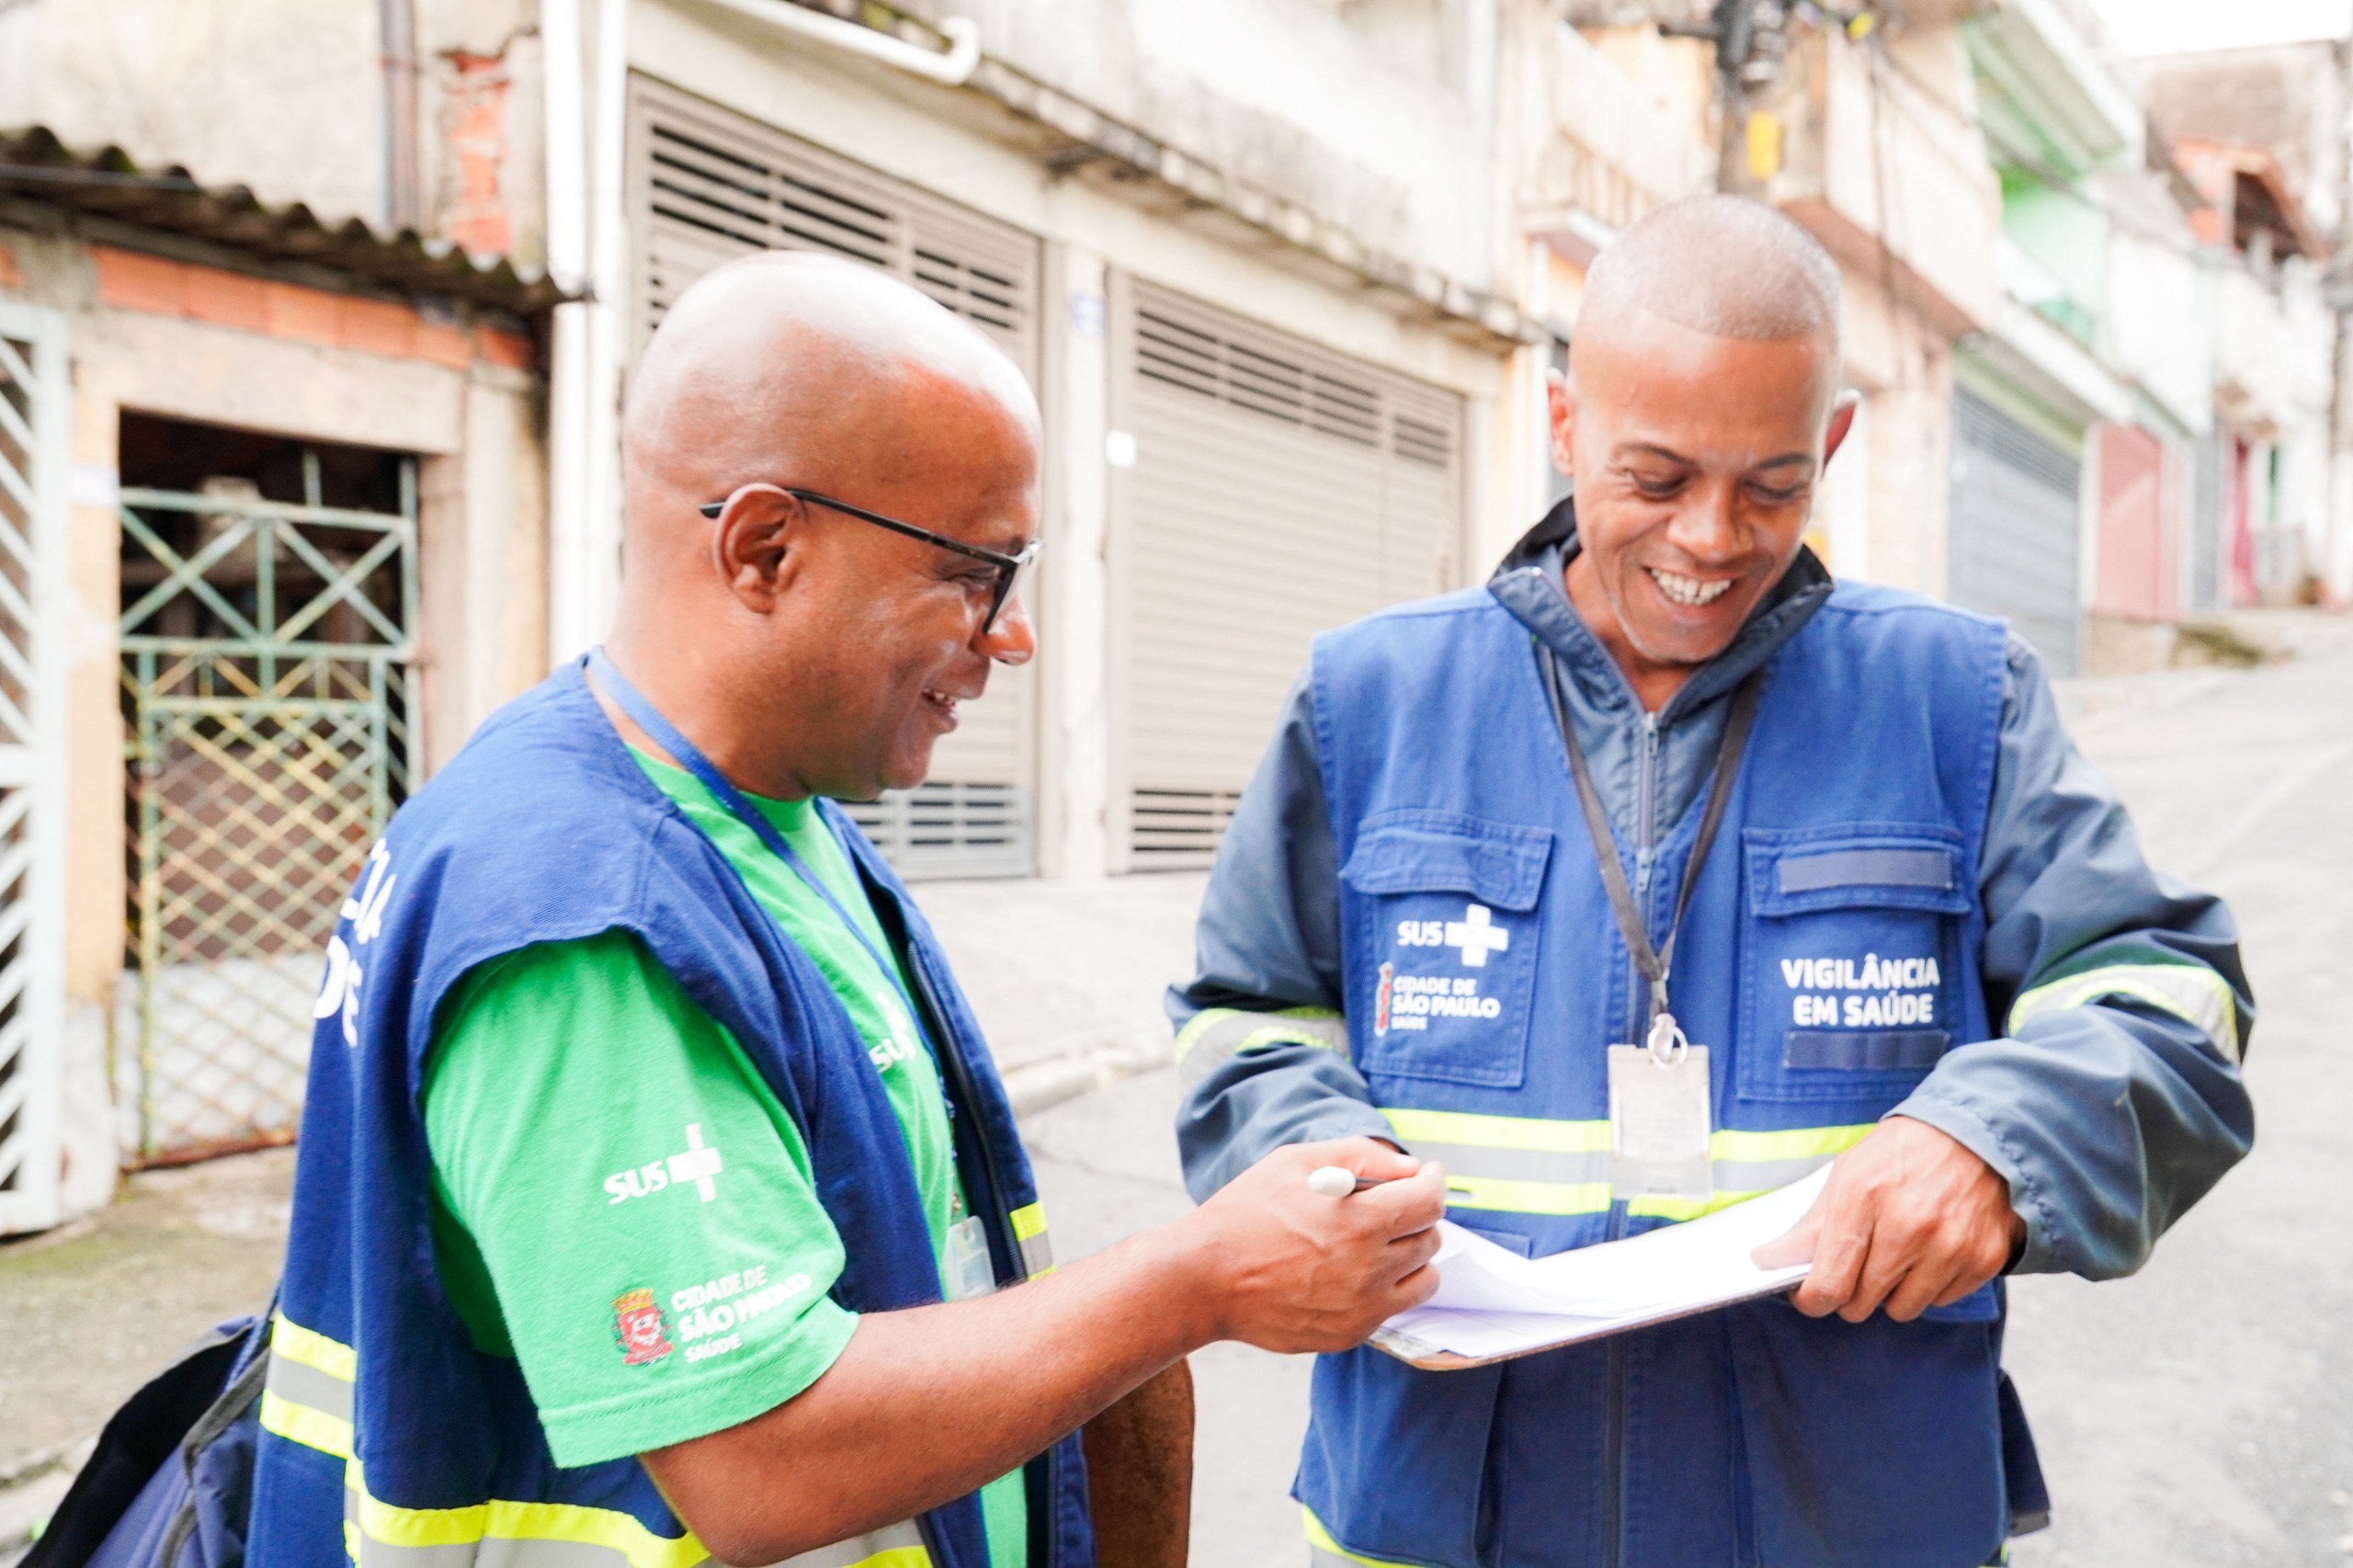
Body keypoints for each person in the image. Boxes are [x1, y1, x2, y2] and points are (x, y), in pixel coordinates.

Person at [247, 253, 1448, 1568]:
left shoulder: (766, 815)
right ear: (766, 548)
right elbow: (762, 1455)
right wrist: (1202, 1279)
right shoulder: (584, 923)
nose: (1012, 635)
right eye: (978, 569)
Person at [1169, 196, 2255, 1568]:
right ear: (1562, 424)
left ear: (1835, 443)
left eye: (1773, 484)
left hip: (1849, 1513)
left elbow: (2167, 998)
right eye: (1657, 475)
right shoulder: (1370, 698)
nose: (1713, 537)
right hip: (1445, 1512)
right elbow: (1244, 1013)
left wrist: (1997, 1137)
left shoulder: (1956, 701)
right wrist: (1318, 1175)